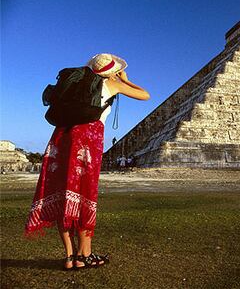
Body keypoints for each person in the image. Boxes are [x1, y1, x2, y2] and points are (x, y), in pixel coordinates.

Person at [24, 53, 150, 270]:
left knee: (63, 194)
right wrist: (125, 80)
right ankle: (85, 255)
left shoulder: (77, 83)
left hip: (61, 138)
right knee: (84, 194)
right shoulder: (112, 84)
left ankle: (70, 256)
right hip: (88, 140)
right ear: (112, 71)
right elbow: (145, 95)